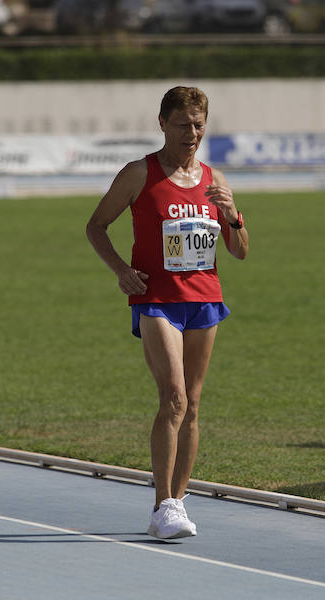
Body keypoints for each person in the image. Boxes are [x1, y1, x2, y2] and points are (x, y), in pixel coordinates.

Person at [86, 86, 249, 539]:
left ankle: (176, 502)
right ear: (162, 124)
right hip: (156, 299)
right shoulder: (140, 173)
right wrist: (120, 270)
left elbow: (239, 251)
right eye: (182, 125)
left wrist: (232, 213)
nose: (192, 133)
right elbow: (96, 225)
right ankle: (163, 504)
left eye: (199, 125)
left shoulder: (215, 181)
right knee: (174, 396)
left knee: (193, 404)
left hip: (203, 298)